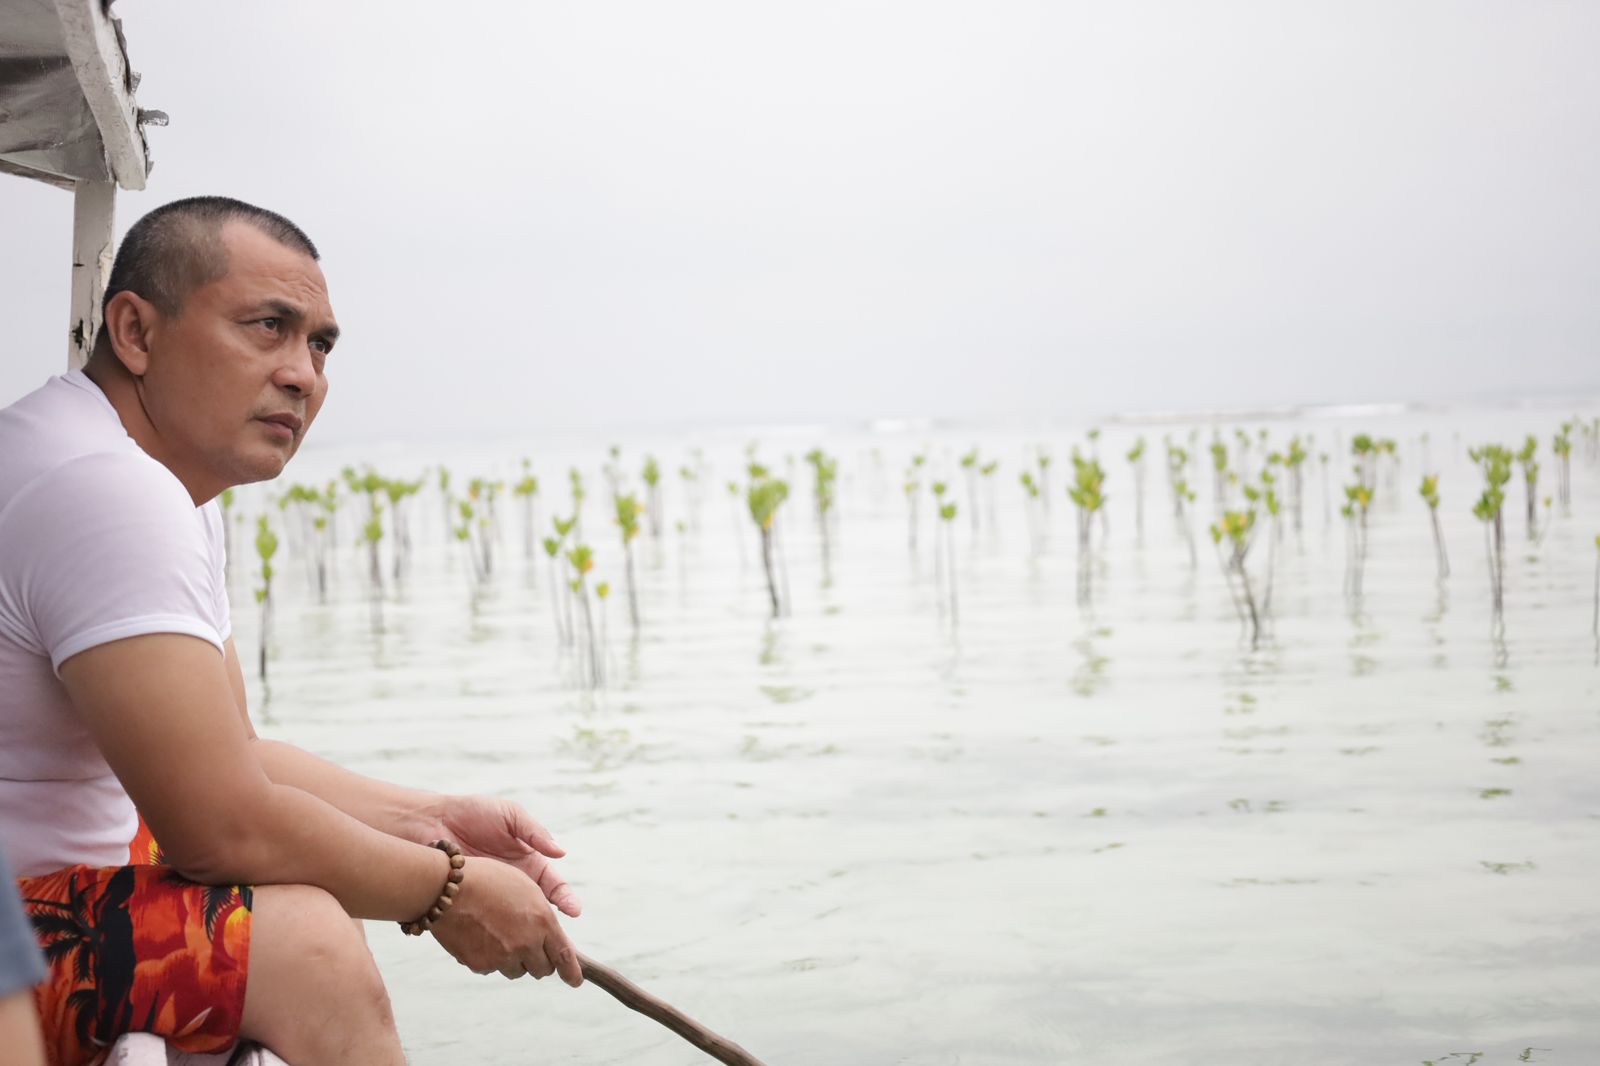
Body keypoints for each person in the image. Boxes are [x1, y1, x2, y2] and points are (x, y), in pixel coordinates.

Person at [0, 196, 583, 1066]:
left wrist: (432, 822)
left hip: (49, 896)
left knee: (305, 874)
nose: (302, 374)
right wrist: (448, 893)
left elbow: (227, 755)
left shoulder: (142, 473)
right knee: (307, 940)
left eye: (318, 344)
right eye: (266, 327)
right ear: (135, 331)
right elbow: (220, 827)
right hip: (14, 934)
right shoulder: (109, 491)